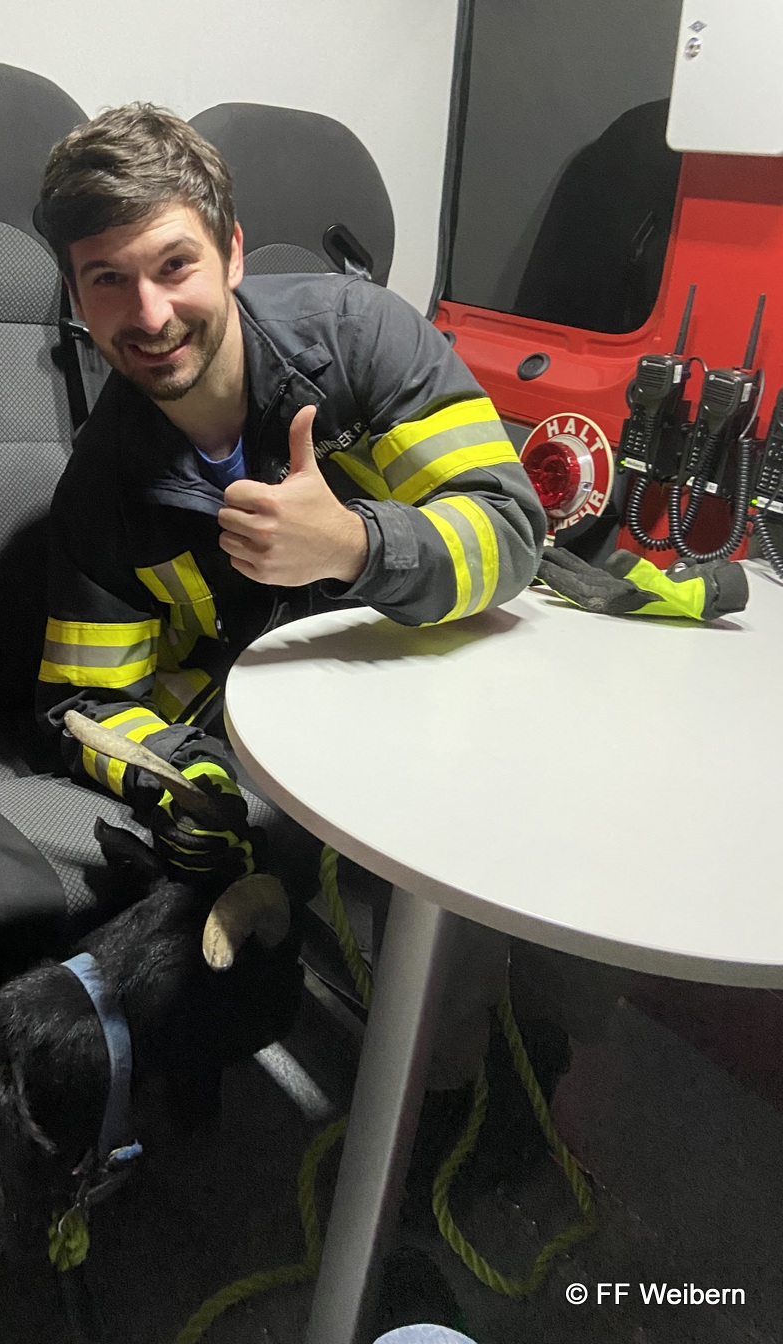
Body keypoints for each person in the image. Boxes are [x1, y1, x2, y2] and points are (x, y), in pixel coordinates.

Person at [33, 101, 544, 913]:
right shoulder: (98, 489)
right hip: (266, 746)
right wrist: (184, 774)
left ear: (232, 253)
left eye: (175, 266)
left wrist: (352, 546)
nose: (151, 314)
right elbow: (87, 704)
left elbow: (511, 535)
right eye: (109, 281)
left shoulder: (365, 339)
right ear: (77, 296)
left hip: (431, 688)